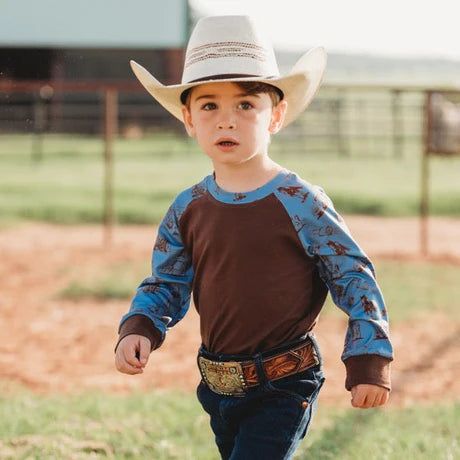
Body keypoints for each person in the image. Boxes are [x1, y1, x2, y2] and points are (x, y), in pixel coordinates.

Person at [114, 15, 393, 459]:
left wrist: (368, 357)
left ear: (276, 115)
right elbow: (166, 283)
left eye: (245, 105)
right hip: (216, 386)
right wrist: (141, 327)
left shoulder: (301, 201)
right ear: (188, 119)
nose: (227, 121)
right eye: (209, 107)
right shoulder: (188, 208)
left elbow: (353, 275)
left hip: (284, 383)